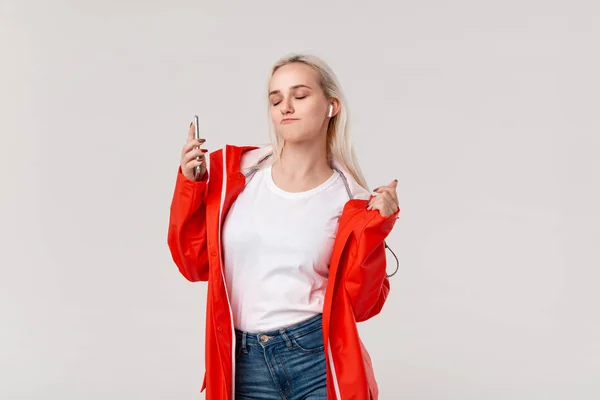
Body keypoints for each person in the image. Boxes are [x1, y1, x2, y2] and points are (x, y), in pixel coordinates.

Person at [167, 53, 401, 400]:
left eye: (300, 95)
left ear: (331, 106)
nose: (285, 107)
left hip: (316, 359)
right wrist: (191, 185)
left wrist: (377, 227)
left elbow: (362, 305)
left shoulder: (352, 199)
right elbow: (193, 263)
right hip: (243, 363)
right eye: (275, 99)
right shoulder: (236, 175)